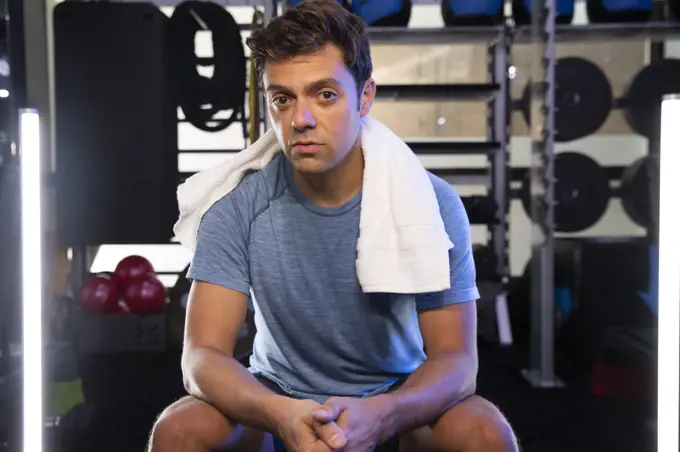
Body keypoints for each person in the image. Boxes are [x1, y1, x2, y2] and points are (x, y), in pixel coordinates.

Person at [148, 1, 518, 451]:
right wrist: (279, 413)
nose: (300, 119)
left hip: (396, 402)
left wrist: (385, 414)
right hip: (277, 400)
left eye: (325, 95)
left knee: (485, 435)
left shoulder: (429, 202)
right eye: (282, 99)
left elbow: (457, 360)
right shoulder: (236, 206)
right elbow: (202, 355)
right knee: (179, 431)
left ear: (365, 96)